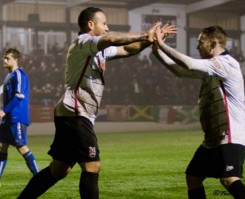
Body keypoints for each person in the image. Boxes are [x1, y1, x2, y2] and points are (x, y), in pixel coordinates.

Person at [17, 7, 176, 199]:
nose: (108, 28)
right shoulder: (83, 42)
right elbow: (111, 39)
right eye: (104, 23)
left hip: (72, 113)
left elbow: (126, 49)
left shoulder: (98, 49)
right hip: (76, 112)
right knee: (92, 166)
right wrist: (144, 33)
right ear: (91, 25)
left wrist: (148, 41)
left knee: (59, 169)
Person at [152, 25, 245, 199]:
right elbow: (180, 70)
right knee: (193, 178)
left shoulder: (225, 63)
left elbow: (189, 64)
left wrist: (161, 44)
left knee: (228, 179)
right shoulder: (212, 67)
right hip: (214, 137)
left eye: (200, 42)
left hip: (231, 133)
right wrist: (156, 51)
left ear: (213, 43)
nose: (197, 46)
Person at [0, 48, 39, 187]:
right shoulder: (8, 77)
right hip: (7, 119)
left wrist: (4, 111)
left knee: (22, 147)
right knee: (2, 148)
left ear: (15, 60)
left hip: (16, 117)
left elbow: (19, 95)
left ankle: (40, 179)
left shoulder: (19, 74)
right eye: (4, 58)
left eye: (7, 58)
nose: (4, 60)